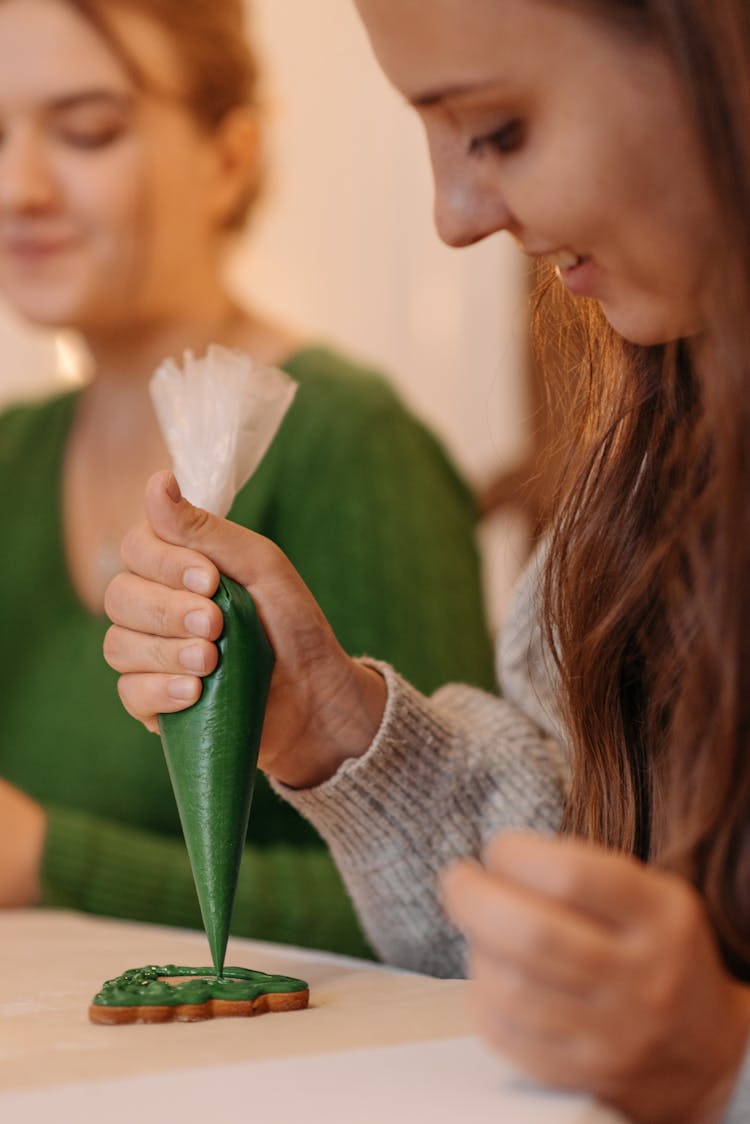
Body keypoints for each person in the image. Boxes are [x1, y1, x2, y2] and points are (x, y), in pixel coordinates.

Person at [103, 0, 750, 1120]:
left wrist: (725, 1058)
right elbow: (578, 864)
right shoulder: (630, 505)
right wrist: (343, 731)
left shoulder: (359, 433)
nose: (453, 215)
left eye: (497, 130)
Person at [0, 0, 497, 959]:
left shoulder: (350, 444)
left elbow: (464, 889)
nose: (17, 187)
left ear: (228, 159)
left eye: (87, 131)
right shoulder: (12, 458)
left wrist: (51, 861)